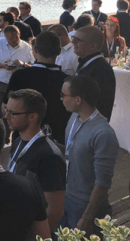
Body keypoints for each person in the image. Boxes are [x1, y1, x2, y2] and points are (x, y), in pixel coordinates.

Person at [59, 75, 119, 236]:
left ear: (78, 100)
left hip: (86, 208)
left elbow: (102, 182)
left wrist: (87, 217)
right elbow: (75, 151)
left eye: (64, 95)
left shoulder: (103, 134)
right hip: (67, 198)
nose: (61, 99)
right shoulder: (74, 118)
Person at [4, 89, 67, 232]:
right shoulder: (18, 141)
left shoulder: (50, 157)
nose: (6, 116)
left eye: (12, 113)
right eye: (7, 110)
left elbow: (55, 211)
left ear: (32, 117)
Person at [6, 32, 71, 145]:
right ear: (59, 51)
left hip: (24, 139)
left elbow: (5, 108)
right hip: (57, 140)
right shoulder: (67, 81)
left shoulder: (19, 76)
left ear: (34, 49)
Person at [0, 26, 34, 143]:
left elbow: (34, 66)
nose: (12, 42)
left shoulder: (26, 47)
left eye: (15, 39)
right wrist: (3, 66)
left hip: (16, 86)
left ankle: (5, 140)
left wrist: (23, 64)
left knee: (10, 114)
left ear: (19, 35)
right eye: (9, 39)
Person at [74, 26, 116, 121]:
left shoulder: (101, 69)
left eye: (78, 40)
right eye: (73, 39)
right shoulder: (87, 63)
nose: (73, 43)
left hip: (92, 125)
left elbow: (101, 104)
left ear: (92, 46)